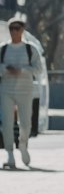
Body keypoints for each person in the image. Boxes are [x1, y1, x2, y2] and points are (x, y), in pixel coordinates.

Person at [1, 19, 37, 170]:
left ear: (23, 30)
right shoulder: (3, 49)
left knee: (25, 123)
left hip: (25, 90)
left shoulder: (30, 49)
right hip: (6, 89)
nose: (14, 31)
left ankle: (23, 144)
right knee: (7, 122)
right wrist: (6, 69)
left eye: (17, 28)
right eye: (11, 28)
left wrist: (22, 70)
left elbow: (38, 69)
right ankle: (9, 153)